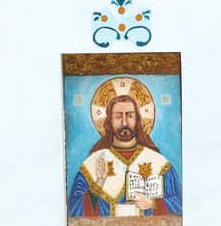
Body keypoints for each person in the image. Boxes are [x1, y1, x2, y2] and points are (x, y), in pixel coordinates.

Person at [68, 78, 183, 218]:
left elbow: (180, 204)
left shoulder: (158, 162)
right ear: (109, 121)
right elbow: (75, 210)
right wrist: (98, 183)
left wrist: (153, 203)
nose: (124, 122)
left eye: (129, 115)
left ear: (138, 119)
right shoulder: (95, 162)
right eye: (118, 116)